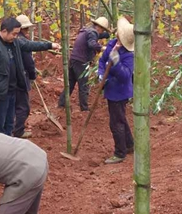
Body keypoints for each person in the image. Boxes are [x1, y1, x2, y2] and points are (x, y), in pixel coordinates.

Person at [0, 17, 60, 136]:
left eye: (17, 34)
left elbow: (30, 45)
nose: (16, 36)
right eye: (14, 33)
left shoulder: (15, 42)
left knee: (9, 123)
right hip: (0, 93)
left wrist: (50, 45)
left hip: (13, 89)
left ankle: (8, 147)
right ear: (4, 31)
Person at [98, 17, 135, 164]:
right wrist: (101, 75)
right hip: (110, 87)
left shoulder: (128, 55)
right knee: (121, 118)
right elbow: (102, 61)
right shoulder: (112, 43)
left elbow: (125, 76)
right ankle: (130, 144)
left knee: (116, 122)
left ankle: (120, 152)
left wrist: (117, 62)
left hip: (119, 92)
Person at [58, 16, 110, 112]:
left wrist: (108, 34)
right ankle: (84, 109)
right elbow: (92, 44)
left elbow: (97, 36)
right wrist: (104, 48)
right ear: (99, 27)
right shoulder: (93, 33)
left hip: (73, 59)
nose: (102, 32)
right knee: (84, 86)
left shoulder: (87, 30)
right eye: (102, 30)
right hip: (81, 62)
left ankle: (61, 104)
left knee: (70, 84)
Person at [13, 15, 37, 139]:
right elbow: (28, 61)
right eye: (26, 29)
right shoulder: (23, 43)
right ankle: (18, 131)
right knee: (23, 107)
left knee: (14, 105)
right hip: (21, 78)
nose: (28, 31)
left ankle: (11, 128)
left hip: (11, 78)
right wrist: (33, 75)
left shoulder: (12, 39)